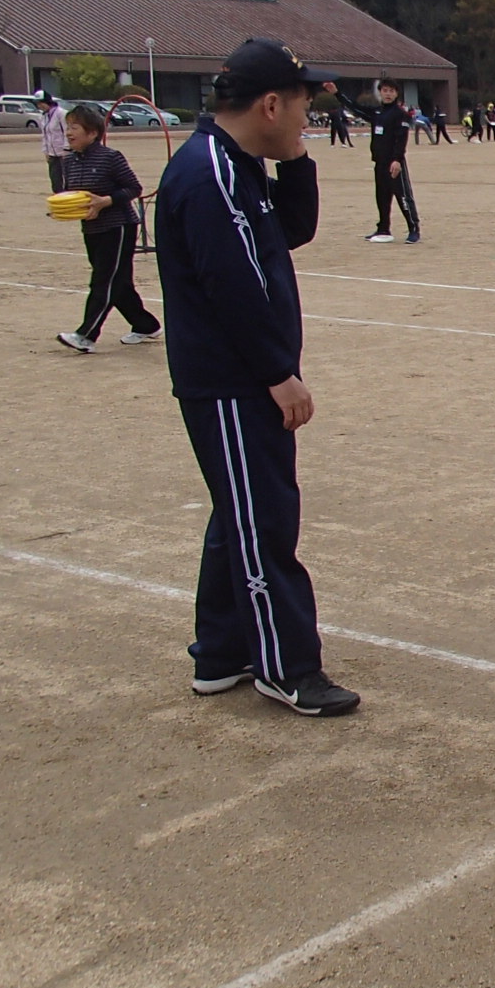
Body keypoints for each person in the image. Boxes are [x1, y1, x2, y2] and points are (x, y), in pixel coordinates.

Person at [154, 37, 358, 716]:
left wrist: (296, 158)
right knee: (264, 520)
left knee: (240, 511)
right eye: (302, 107)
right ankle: (286, 666)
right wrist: (278, 373)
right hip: (230, 382)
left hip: (242, 378)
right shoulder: (209, 173)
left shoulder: (241, 165)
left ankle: (220, 652)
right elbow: (231, 284)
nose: (308, 119)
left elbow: (288, 231)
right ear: (271, 103)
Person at [54, 104, 161, 353]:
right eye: (67, 126)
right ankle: (145, 325)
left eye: (75, 127)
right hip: (92, 228)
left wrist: (106, 201)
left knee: (104, 280)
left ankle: (86, 335)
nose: (69, 132)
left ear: (92, 133)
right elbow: (75, 196)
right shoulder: (69, 162)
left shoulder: (110, 157)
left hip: (118, 226)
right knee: (119, 281)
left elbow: (134, 188)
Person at [343, 78, 420, 244]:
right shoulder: (377, 113)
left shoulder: (401, 115)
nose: (388, 94)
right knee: (382, 196)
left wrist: (397, 160)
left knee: (403, 196)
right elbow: (356, 109)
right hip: (380, 162)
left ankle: (413, 228)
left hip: (394, 163)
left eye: (391, 91)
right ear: (380, 92)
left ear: (396, 93)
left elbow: (402, 139)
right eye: (385, 91)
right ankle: (383, 228)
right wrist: (337, 94)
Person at [39, 91, 69, 191]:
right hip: (52, 153)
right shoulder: (43, 116)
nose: (39, 106)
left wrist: (66, 148)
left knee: (68, 178)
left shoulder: (61, 114)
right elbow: (45, 135)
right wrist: (45, 151)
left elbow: (66, 131)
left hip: (63, 152)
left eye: (41, 103)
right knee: (55, 179)